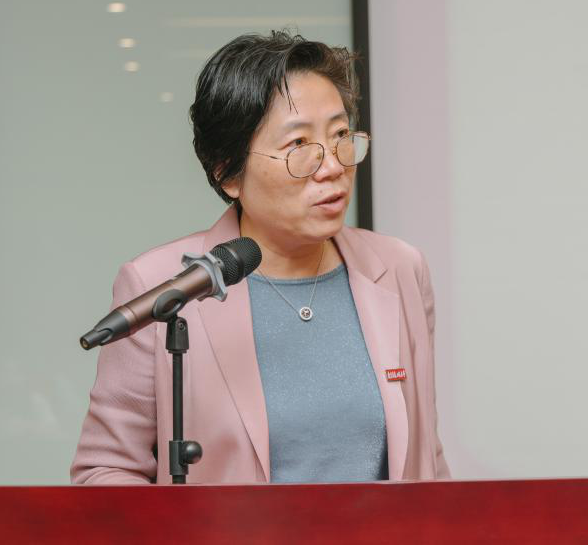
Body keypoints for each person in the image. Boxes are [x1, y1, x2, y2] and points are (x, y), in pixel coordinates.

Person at [71, 31, 449, 484]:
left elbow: (427, 460)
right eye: (298, 146)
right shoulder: (162, 284)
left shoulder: (400, 270)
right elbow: (105, 469)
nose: (333, 166)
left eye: (340, 136)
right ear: (228, 173)